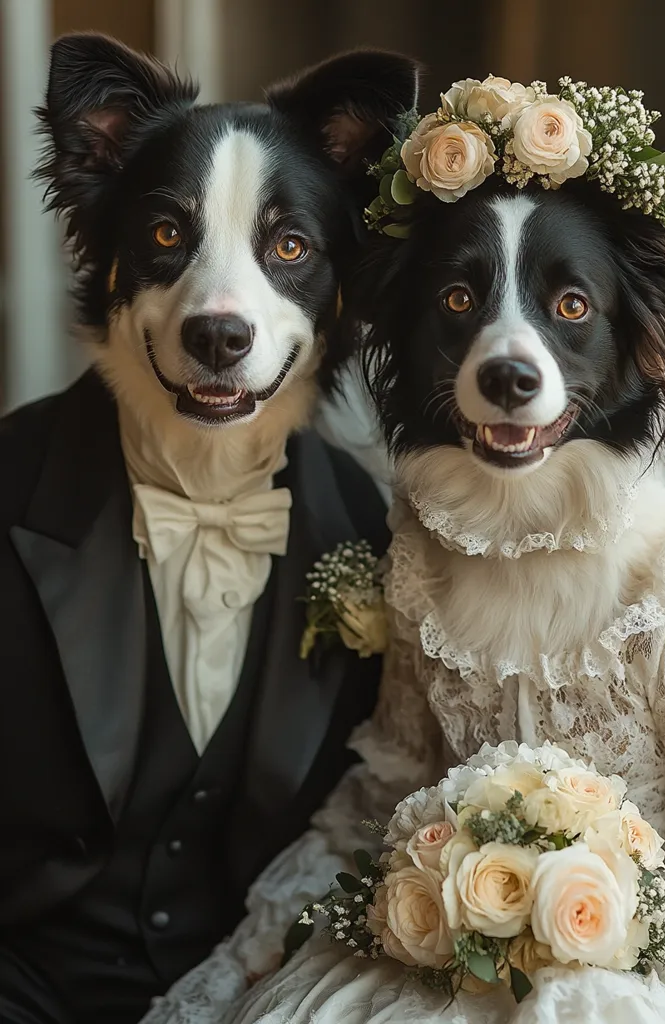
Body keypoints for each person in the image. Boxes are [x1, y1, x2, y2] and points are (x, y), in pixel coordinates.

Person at [142, 73, 665, 1024]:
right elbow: (385, 791)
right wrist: (240, 962)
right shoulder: (421, 564)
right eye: (461, 298)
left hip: (640, 980)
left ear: (632, 335)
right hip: (432, 960)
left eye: (567, 307)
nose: (508, 355)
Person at [0, 34, 418, 1024]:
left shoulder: (368, 527)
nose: (221, 314)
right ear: (106, 249)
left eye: (285, 247)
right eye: (168, 239)